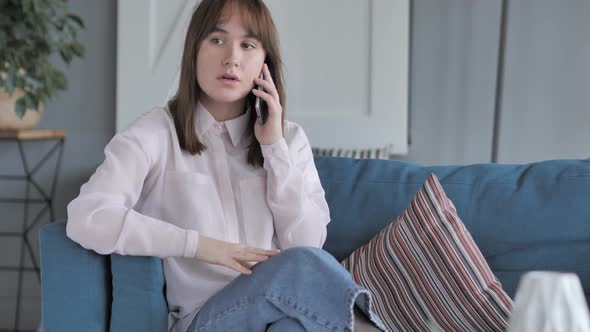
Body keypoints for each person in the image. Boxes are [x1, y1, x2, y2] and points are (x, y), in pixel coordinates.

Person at [66, 0, 385, 331]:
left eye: (248, 45)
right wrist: (201, 247)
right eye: (216, 40)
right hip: (205, 320)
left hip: (278, 314)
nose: (231, 57)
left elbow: (305, 246)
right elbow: (88, 217)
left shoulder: (289, 139)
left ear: (265, 64)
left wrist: (273, 148)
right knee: (301, 269)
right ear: (194, 50)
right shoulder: (155, 133)